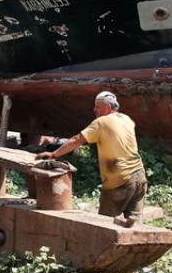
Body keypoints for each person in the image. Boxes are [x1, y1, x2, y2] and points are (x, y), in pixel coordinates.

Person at [36, 90, 146, 227]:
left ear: (108, 108)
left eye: (97, 106)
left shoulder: (101, 122)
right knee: (136, 225)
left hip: (119, 180)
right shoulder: (126, 119)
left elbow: (77, 140)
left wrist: (53, 154)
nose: (94, 109)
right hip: (139, 178)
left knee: (105, 225)